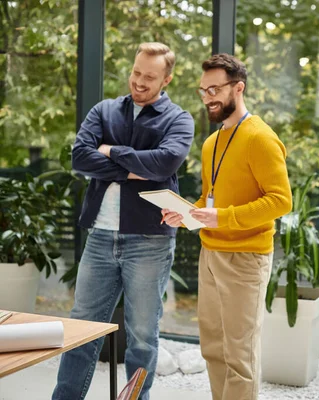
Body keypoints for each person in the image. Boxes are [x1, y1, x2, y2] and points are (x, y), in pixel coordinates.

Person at [53, 42, 194, 400]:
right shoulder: (104, 110)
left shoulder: (179, 119)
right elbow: (80, 158)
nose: (139, 82)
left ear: (166, 79)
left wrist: (112, 151)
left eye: (149, 77)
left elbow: (165, 164)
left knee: (143, 335)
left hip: (149, 240)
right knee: (81, 328)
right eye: (136, 73)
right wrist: (137, 168)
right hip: (100, 236)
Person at [161, 53, 292, 400]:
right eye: (203, 91)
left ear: (239, 88)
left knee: (240, 356)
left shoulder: (260, 138)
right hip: (211, 253)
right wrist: (185, 213)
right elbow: (211, 199)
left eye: (215, 89)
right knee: (213, 349)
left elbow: (281, 201)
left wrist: (223, 217)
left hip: (245, 258)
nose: (208, 98)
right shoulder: (211, 142)